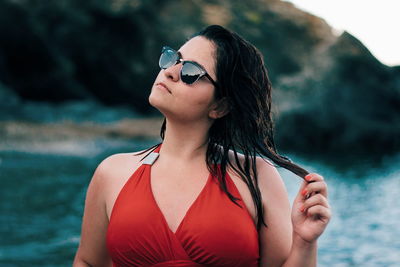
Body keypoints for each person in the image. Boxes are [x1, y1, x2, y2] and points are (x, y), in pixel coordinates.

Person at [73, 25, 331, 267]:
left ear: (220, 106)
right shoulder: (112, 172)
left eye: (191, 72)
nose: (171, 71)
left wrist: (305, 242)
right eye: (173, 58)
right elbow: (88, 262)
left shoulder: (257, 175)